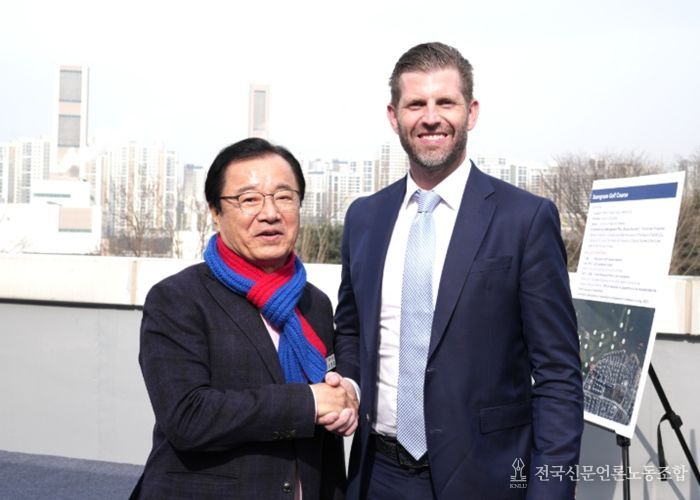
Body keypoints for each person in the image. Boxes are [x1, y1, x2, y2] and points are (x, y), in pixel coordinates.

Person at [334, 42, 584, 499]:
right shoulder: (364, 218)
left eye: (445, 102)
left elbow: (558, 374)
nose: (431, 118)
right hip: (376, 476)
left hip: (488, 478)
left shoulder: (524, 219)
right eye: (416, 104)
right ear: (394, 116)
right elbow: (350, 329)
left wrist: (550, 491)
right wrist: (349, 383)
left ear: (471, 112)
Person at [131, 138, 358, 499]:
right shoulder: (178, 299)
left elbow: (330, 406)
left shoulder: (314, 303)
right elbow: (187, 417)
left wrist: (342, 406)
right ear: (215, 211)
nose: (270, 213)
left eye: (284, 197)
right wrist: (309, 403)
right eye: (249, 199)